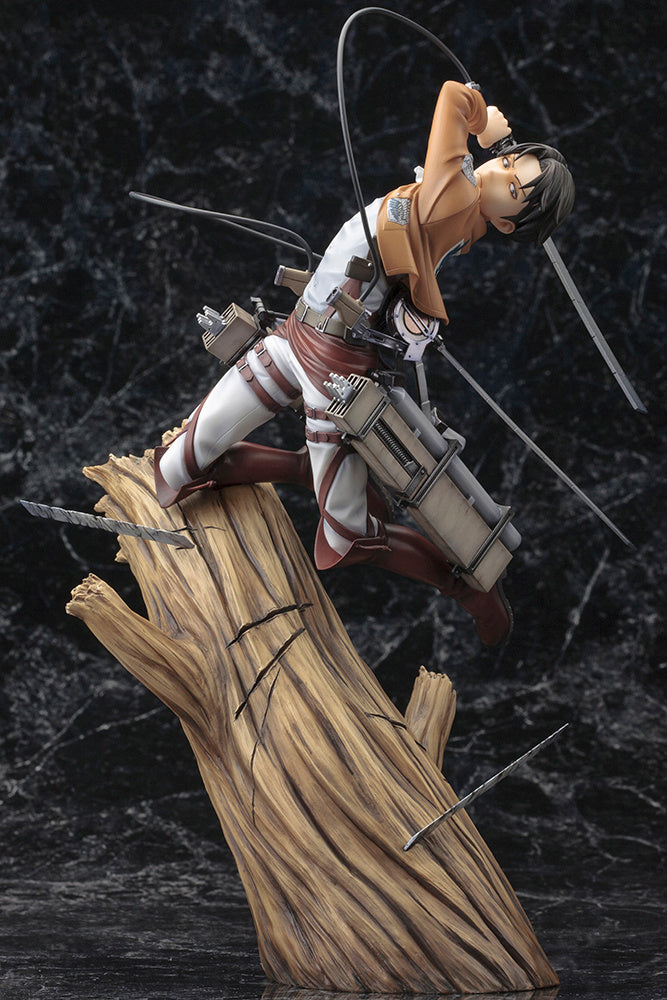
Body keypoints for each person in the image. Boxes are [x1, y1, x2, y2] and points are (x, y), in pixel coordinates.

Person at [153, 80, 575, 647]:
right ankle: (301, 468)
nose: (500, 172)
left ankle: (465, 588)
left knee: (346, 537)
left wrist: (481, 122)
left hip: (335, 368)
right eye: (510, 163)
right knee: (175, 465)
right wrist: (495, 147)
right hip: (296, 332)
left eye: (516, 188)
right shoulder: (465, 198)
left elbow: (451, 94)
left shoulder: (453, 199)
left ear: (505, 224)